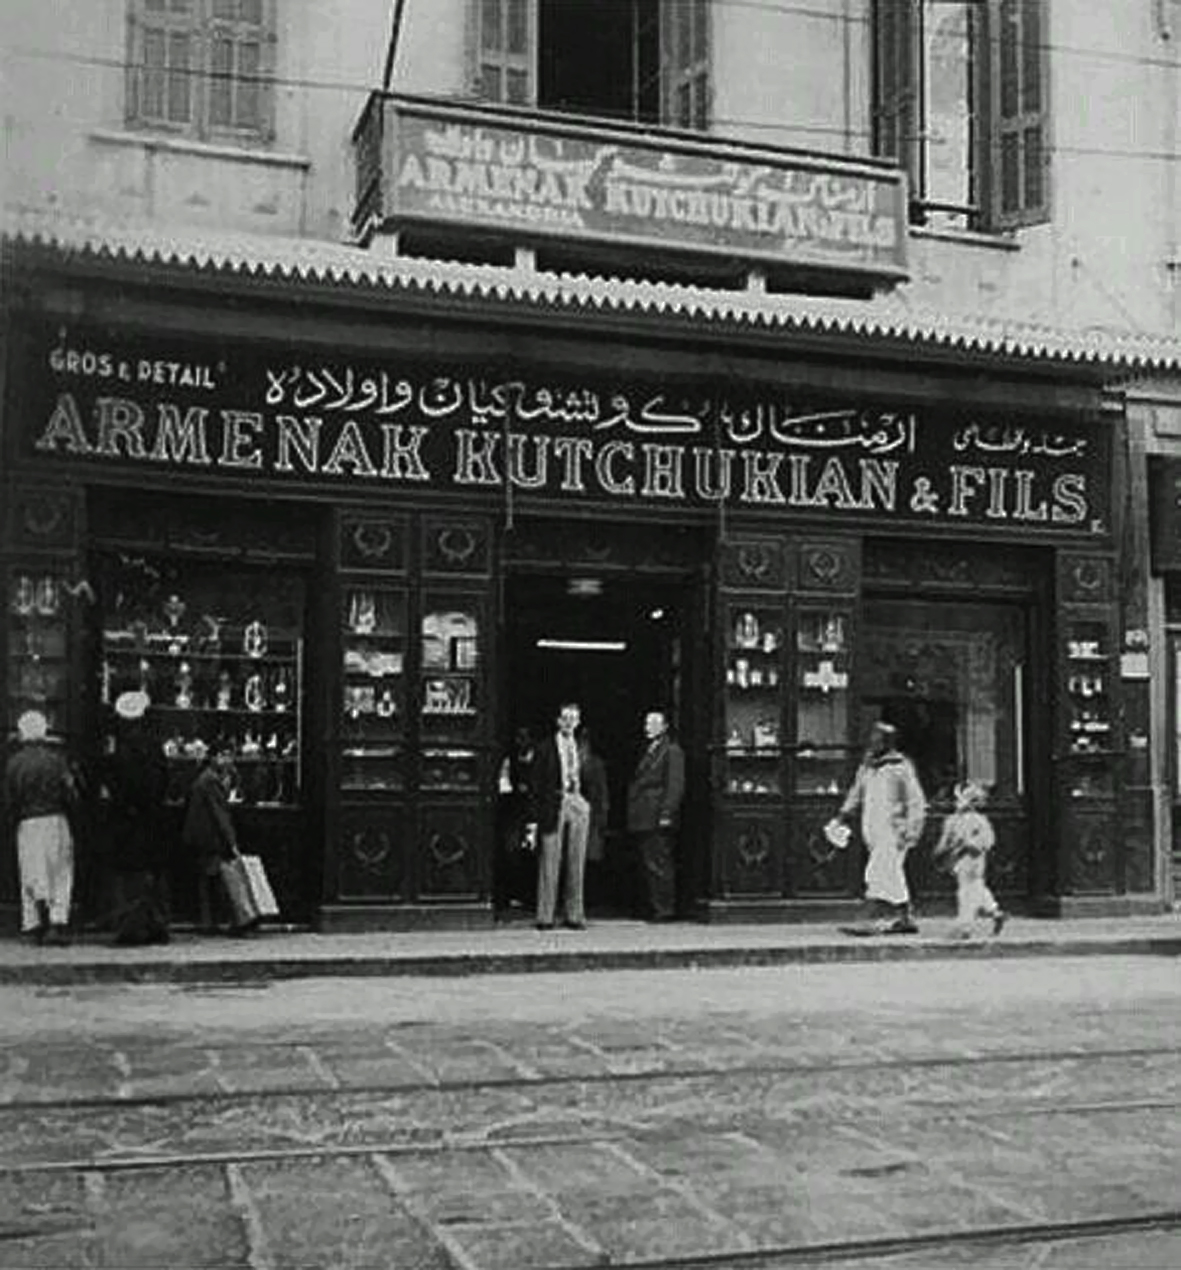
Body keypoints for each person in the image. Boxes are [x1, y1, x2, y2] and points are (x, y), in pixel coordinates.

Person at [837, 720, 927, 935]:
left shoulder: (900, 767)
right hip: (873, 829)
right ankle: (906, 918)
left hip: (895, 831)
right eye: (873, 739)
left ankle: (868, 919)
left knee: (877, 873)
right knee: (892, 874)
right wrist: (844, 813)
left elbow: (916, 802)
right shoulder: (867, 767)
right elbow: (856, 792)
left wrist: (912, 829)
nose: (873, 743)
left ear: (889, 743)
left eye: (878, 740)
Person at [103, 691, 171, 946]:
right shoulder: (154, 746)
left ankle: (131, 928)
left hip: (128, 822)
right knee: (152, 875)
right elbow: (163, 780)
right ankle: (157, 924)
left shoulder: (120, 749)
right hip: (152, 820)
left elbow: (119, 785)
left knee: (129, 877)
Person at [5, 710, 77, 945]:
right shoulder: (56, 760)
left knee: (31, 874)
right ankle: (57, 922)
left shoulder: (14, 763)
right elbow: (70, 793)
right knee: (59, 873)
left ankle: (34, 923)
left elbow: (9, 798)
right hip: (55, 819)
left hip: (27, 822)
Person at [527, 702, 591, 931]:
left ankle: (574, 914)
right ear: (558, 721)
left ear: (579, 722)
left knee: (577, 861)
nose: (569, 723)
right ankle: (545, 916)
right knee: (550, 860)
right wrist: (533, 818)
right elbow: (534, 784)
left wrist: (585, 802)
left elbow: (592, 775)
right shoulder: (545, 747)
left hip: (577, 800)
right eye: (565, 718)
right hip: (553, 802)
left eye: (574, 718)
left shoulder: (582, 747)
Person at [182, 748, 254, 935]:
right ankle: (239, 918)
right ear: (214, 758)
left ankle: (210, 922)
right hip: (211, 838)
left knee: (209, 880)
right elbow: (220, 814)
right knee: (222, 879)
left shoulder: (206, 778)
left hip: (202, 837)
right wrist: (231, 842)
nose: (227, 759)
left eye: (228, 755)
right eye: (223, 755)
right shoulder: (211, 781)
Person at [626, 709, 685, 922]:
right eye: (646, 723)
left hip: (655, 815)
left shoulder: (671, 750)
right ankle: (651, 906)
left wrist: (667, 813)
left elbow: (675, 786)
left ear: (664, 726)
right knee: (648, 862)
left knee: (659, 863)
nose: (647, 727)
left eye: (653, 723)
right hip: (643, 815)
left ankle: (664, 909)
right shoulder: (650, 749)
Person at [933, 780, 1007, 940]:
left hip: (969, 858)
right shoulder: (973, 820)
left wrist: (964, 845)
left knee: (966, 891)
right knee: (976, 887)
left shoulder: (965, 820)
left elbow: (985, 841)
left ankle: (964, 925)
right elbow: (987, 840)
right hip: (967, 858)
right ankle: (994, 911)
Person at [494, 726, 537, 917]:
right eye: (518, 737)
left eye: (524, 737)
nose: (520, 741)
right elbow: (503, 786)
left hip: (534, 813)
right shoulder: (509, 760)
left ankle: (531, 898)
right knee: (511, 853)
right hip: (514, 813)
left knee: (533, 854)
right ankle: (511, 895)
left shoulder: (540, 759)